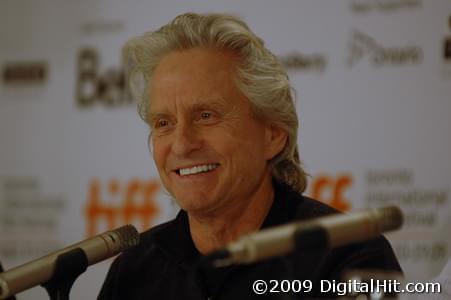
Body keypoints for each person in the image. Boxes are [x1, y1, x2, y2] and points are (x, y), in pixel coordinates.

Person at [98, 12, 402, 299]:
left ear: (273, 134)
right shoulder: (134, 270)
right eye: (163, 123)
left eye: (206, 115)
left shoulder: (350, 256)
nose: (181, 144)